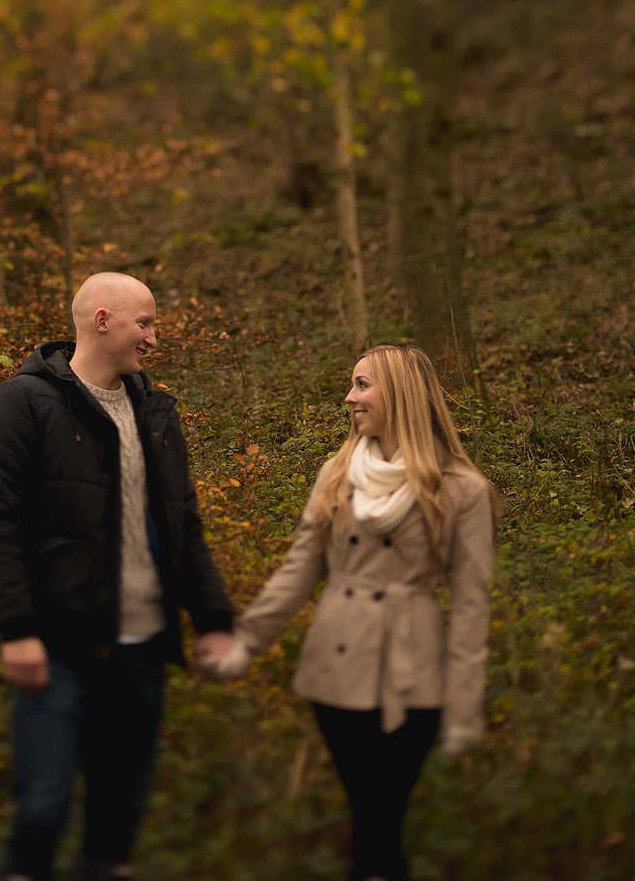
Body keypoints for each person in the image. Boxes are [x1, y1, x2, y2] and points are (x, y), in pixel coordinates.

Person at [0, 271, 237, 881]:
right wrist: (15, 629)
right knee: (43, 805)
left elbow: (183, 525)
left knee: (118, 818)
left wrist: (214, 620)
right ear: (102, 320)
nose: (152, 335)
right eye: (144, 322)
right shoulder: (24, 402)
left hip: (141, 648)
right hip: (59, 645)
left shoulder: (155, 410)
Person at [207, 344, 496, 881]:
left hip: (413, 676)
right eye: (352, 385)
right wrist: (247, 641)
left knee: (382, 816)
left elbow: (471, 605)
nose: (350, 396)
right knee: (371, 814)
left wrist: (463, 706)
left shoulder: (461, 489)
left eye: (362, 385)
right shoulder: (336, 474)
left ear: (401, 395)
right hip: (337, 671)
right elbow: (298, 570)